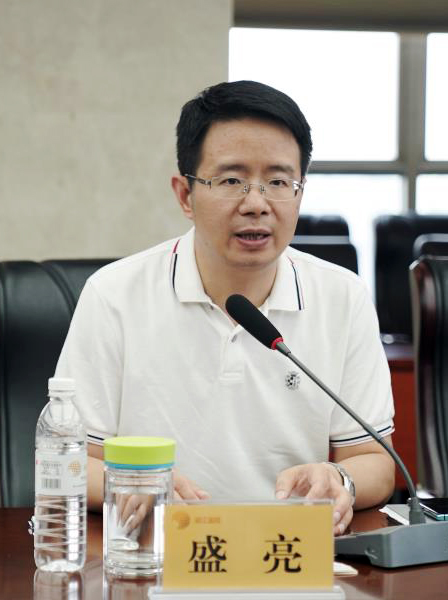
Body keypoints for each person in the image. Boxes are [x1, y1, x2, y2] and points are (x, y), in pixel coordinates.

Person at [56, 80, 395, 536]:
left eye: (279, 182)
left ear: (300, 192)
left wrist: (339, 479)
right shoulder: (114, 295)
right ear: (185, 195)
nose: (256, 204)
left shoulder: (342, 297)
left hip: (286, 552)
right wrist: (136, 484)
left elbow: (375, 461)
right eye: (232, 180)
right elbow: (72, 462)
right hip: (158, 550)